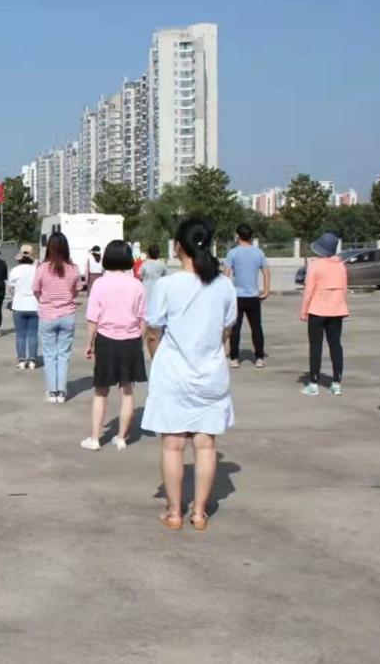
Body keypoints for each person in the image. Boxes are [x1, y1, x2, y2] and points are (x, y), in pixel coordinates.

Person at [142, 218, 237, 531]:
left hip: (174, 372)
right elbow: (227, 328)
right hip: (211, 372)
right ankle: (199, 513)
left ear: (178, 246)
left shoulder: (167, 285)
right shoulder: (223, 285)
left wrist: (157, 358)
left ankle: (174, 513)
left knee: (173, 444)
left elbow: (153, 330)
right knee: (205, 444)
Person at [83, 240, 147, 452]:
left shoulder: (100, 284)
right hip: (131, 340)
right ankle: (121, 438)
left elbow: (93, 318)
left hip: (106, 340)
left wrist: (89, 343)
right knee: (127, 391)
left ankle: (95, 438)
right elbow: (143, 318)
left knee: (101, 391)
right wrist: (139, 341)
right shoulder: (137, 285)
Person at [299, 232, 349, 397]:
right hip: (337, 311)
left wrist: (304, 310)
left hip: (317, 310)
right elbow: (343, 290)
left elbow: (309, 290)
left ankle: (314, 384)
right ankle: (337, 383)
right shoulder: (341, 266)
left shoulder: (315, 266)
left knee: (316, 347)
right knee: (336, 346)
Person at [33, 232, 80, 403]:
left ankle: (52, 391)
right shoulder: (73, 268)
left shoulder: (42, 268)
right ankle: (61, 391)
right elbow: (76, 290)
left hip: (47, 315)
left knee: (49, 354)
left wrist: (45, 301)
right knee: (63, 355)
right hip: (67, 315)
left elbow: (36, 290)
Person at [224, 224, 270, 368]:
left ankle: (234, 358)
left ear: (238, 236)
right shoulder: (259, 252)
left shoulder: (233, 253)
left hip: (237, 296)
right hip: (254, 296)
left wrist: (225, 293)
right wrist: (266, 290)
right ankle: (259, 357)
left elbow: (226, 275)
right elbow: (266, 272)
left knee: (235, 328)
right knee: (256, 327)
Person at [9, 245, 39, 369]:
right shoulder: (37, 270)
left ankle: (21, 360)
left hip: (19, 304)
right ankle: (32, 360)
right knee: (33, 334)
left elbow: (11, 288)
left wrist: (15, 295)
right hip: (34, 304)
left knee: (20, 334)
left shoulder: (15, 270)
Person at [139, 244, 169, 356]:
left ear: (148, 253)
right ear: (158, 253)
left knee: (144, 316)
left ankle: (141, 342)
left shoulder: (145, 264)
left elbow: (139, 275)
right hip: (157, 292)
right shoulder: (162, 265)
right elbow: (166, 277)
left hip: (146, 290)